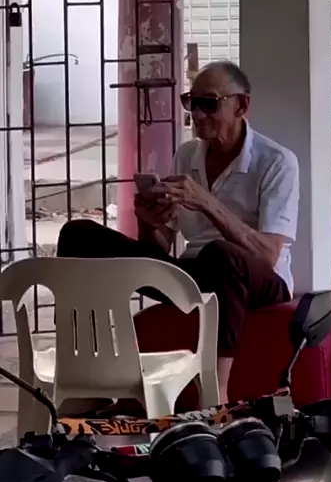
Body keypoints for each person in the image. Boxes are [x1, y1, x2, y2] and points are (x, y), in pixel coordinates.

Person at [57, 61, 300, 403]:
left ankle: (215, 394)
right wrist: (149, 221)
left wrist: (207, 203)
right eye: (191, 102)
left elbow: (268, 254)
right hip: (194, 272)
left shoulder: (277, 162)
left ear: (241, 106)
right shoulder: (187, 155)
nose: (197, 114)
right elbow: (160, 247)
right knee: (79, 235)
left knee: (220, 254)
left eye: (209, 104)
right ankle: (89, 378)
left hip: (257, 279)